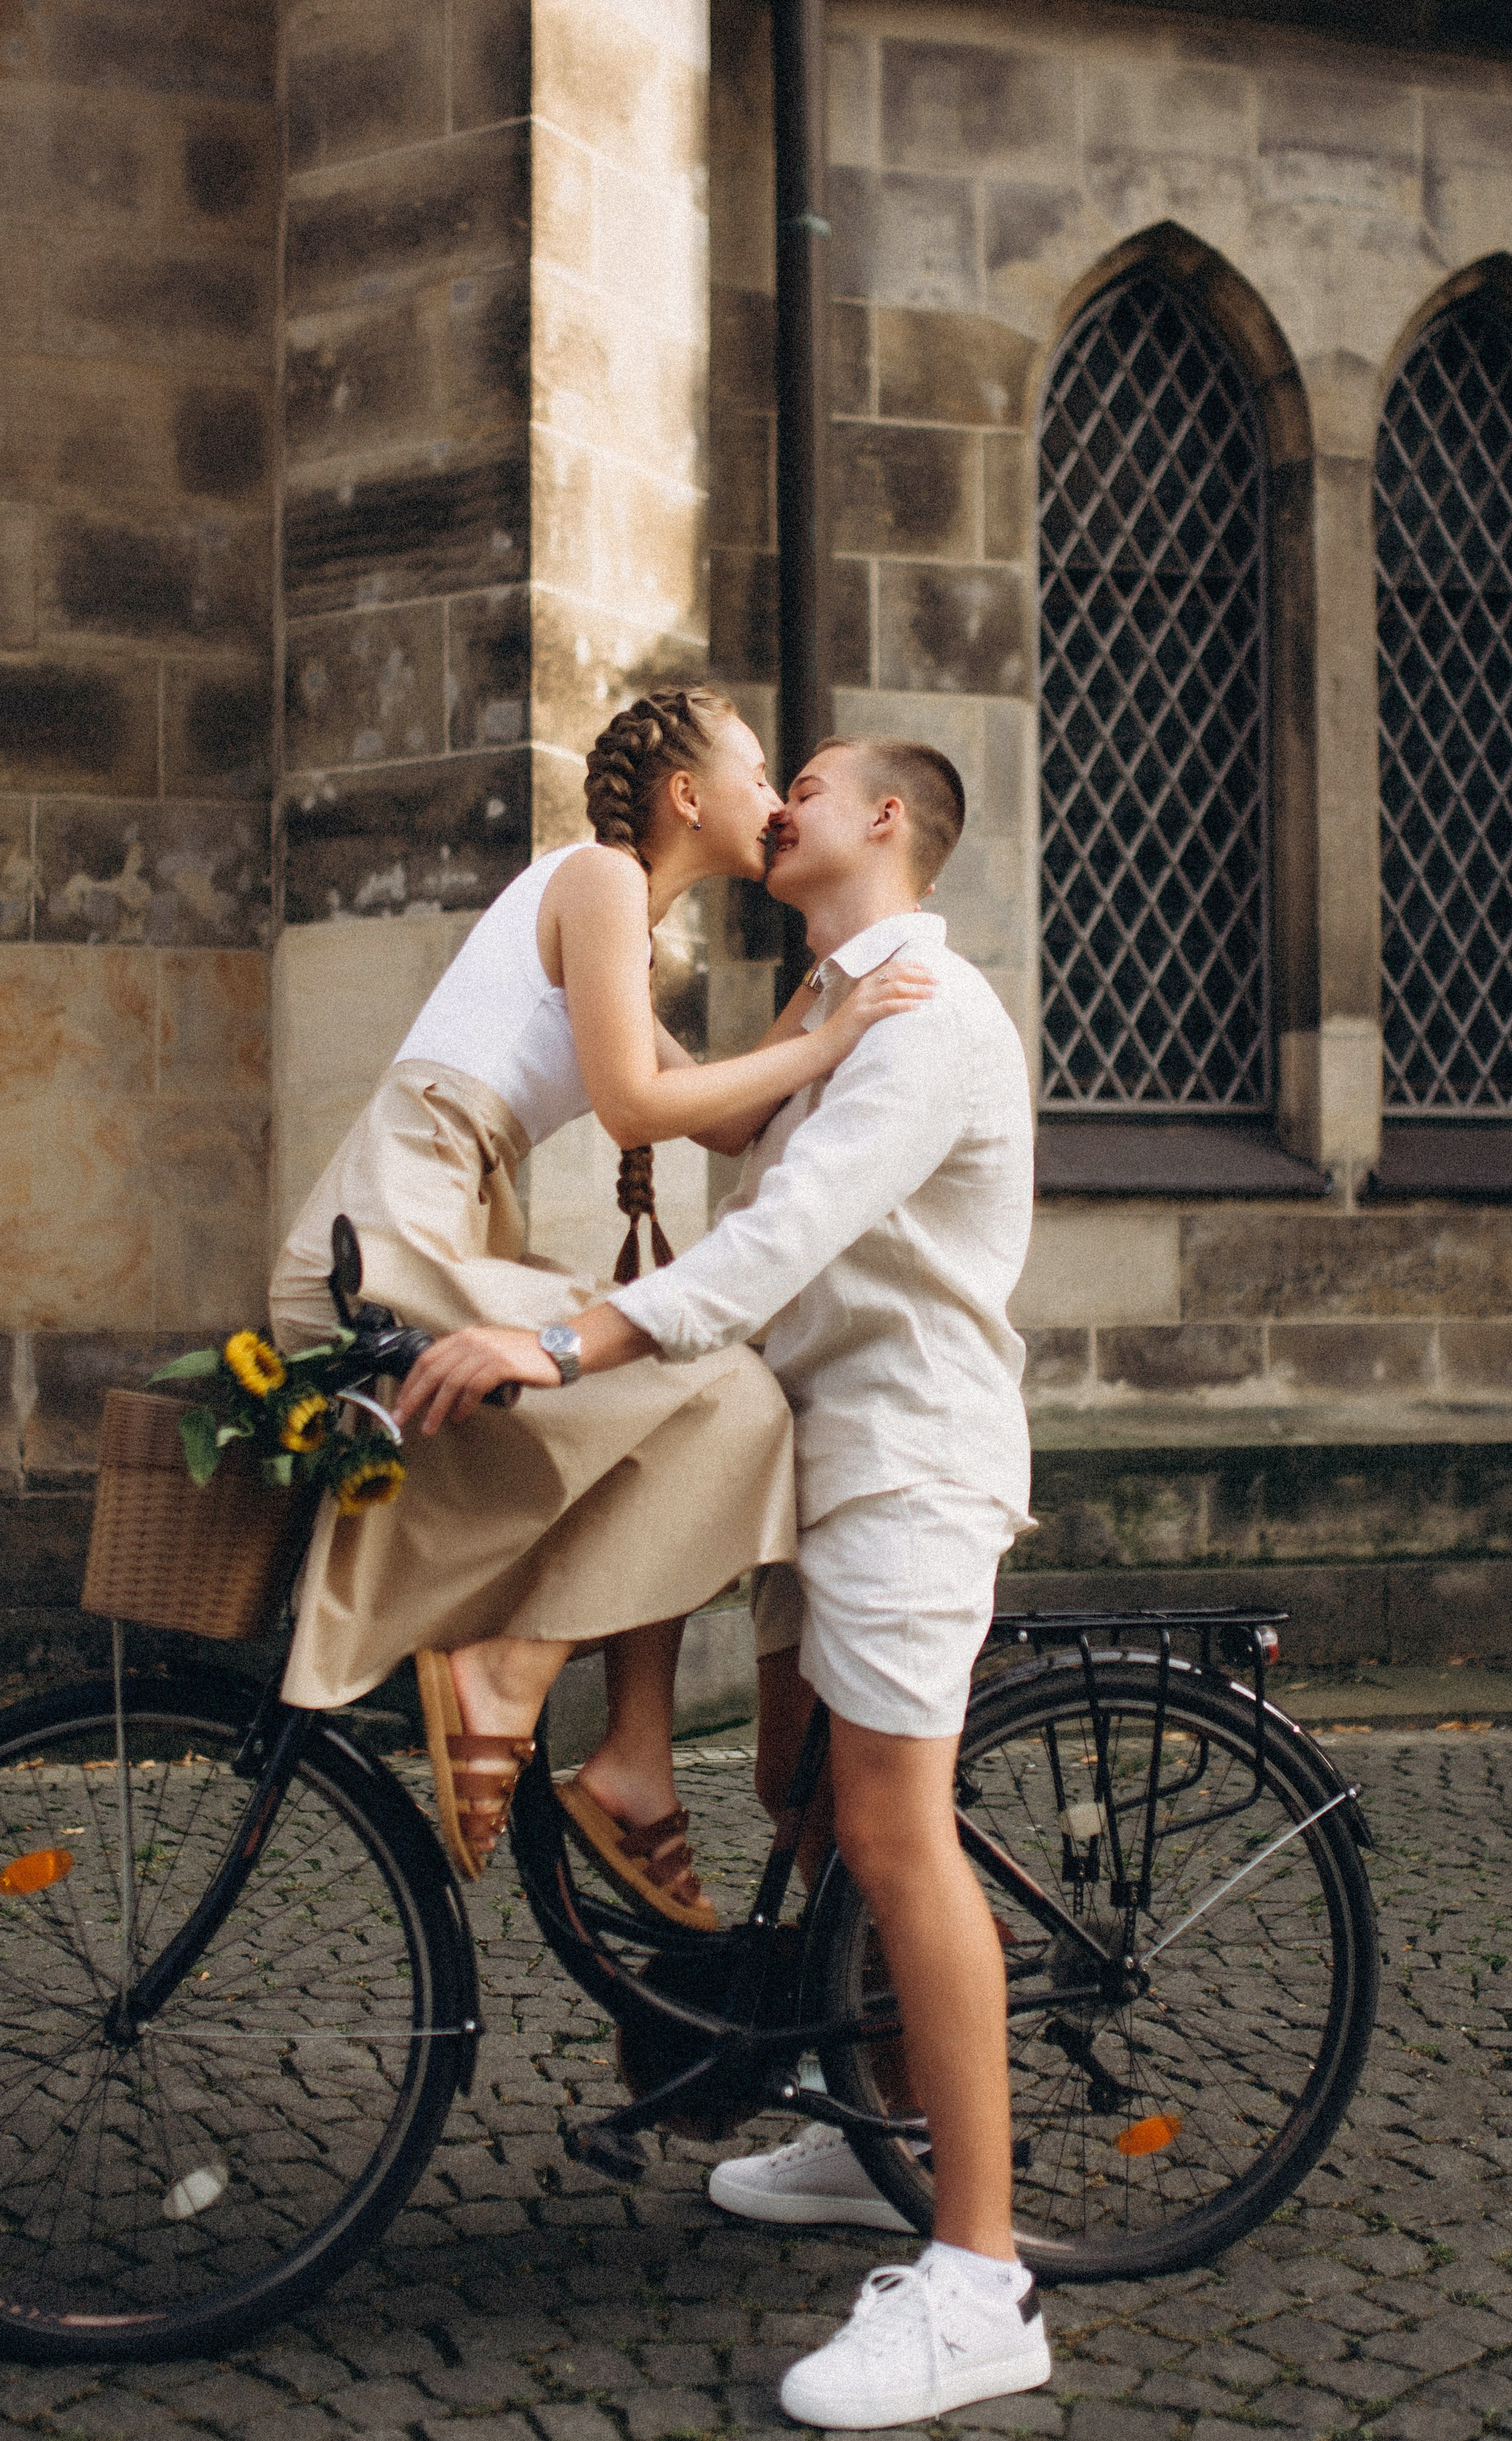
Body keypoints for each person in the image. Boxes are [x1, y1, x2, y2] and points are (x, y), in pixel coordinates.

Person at [394, 733, 1049, 2429]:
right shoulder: (828, 1008)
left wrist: (560, 1339)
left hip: (905, 1461)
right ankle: (869, 2134)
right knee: (802, 1801)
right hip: (811, 1457)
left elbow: (780, 1240)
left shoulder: (922, 1011)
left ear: (886, 819)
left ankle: (980, 2276)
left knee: (897, 1832)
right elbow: (692, 1176)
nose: (786, 800)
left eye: (812, 779)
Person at [268, 689, 934, 1923]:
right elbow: (636, 1107)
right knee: (727, 1390)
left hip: (428, 1225)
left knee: (723, 1416)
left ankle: (631, 1760)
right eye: (757, 776)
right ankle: (513, 1671)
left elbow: (727, 1116)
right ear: (689, 796)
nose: (778, 802)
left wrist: (831, 994)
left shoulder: (618, 924)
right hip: (393, 1235)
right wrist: (836, 1041)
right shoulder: (600, 880)